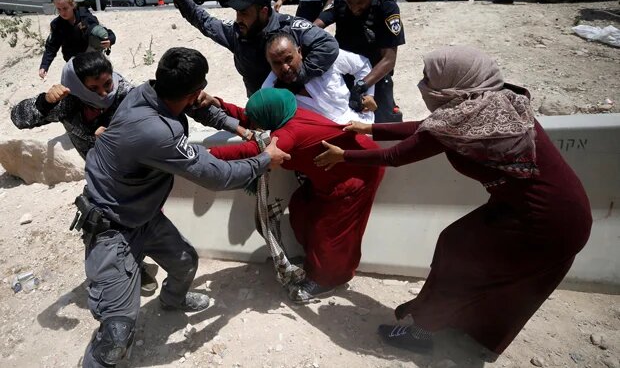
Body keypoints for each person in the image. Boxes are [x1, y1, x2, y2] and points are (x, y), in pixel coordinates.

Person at [314, 46, 592, 355]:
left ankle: (422, 331)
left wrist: (343, 156)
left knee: (462, 263)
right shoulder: (492, 101)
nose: (423, 84)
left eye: (429, 79)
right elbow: (429, 129)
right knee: (461, 250)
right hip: (551, 207)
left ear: (456, 81)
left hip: (546, 221)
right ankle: (460, 322)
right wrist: (371, 127)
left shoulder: (466, 120)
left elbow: (396, 156)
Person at [78, 47, 290, 367]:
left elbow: (199, 109)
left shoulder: (147, 93)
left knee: (185, 262)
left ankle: (172, 301)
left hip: (142, 214)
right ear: (194, 90)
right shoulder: (158, 133)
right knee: (116, 336)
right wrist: (264, 160)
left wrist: (241, 129)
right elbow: (217, 176)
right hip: (111, 227)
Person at [209, 88, 385, 303]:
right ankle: (315, 261)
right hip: (332, 175)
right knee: (302, 209)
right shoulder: (291, 112)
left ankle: (327, 279)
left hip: (356, 174)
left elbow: (251, 151)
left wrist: (205, 156)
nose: (253, 125)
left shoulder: (289, 134)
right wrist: (219, 103)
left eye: (257, 121)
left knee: (331, 233)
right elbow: (252, 117)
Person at [13, 52, 163, 295]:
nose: (104, 93)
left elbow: (157, 122)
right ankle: (133, 266)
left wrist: (118, 135)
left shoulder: (126, 94)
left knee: (146, 224)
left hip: (137, 176)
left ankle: (150, 261)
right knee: (101, 228)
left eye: (107, 84)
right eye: (93, 88)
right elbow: (19, 118)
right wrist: (44, 102)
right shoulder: (67, 102)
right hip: (100, 179)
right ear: (76, 87)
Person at [167, 0, 339, 96]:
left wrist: (299, 76)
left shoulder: (289, 27)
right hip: (262, 107)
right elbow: (204, 21)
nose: (238, 19)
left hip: (299, 105)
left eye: (244, 13)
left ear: (263, 12)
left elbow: (328, 45)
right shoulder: (236, 32)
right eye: (237, 12)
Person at [315, 0, 405, 123]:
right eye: (350, 2)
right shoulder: (341, 1)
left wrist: (362, 85)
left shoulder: (386, 7)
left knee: (384, 126)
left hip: (375, 77)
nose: (355, 7)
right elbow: (316, 25)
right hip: (345, 73)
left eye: (361, 2)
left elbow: (389, 60)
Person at [262, 32, 377, 124]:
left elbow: (362, 65)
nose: (285, 68)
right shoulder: (269, 92)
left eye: (288, 59)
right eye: (277, 63)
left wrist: (365, 94)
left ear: (299, 52)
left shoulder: (324, 58)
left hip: (363, 125)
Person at [39, 0, 116, 79]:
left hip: (91, 55)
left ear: (72, 5)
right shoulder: (57, 25)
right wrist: (44, 66)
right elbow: (51, 47)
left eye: (65, 8)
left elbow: (103, 31)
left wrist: (110, 40)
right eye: (59, 9)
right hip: (73, 60)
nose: (62, 12)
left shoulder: (85, 16)